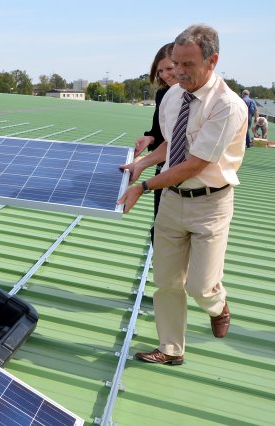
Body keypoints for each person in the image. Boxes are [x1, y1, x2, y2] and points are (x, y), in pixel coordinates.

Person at [117, 24, 246, 365]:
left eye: (188, 65)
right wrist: (142, 164)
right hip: (173, 201)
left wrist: (143, 187)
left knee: (201, 286)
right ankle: (171, 348)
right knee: (167, 281)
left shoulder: (227, 106)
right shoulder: (173, 96)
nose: (179, 73)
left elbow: (194, 164)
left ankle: (217, 304)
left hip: (211, 204)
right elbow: (170, 148)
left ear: (212, 60)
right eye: (176, 63)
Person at [133, 42, 177, 242]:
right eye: (160, 71)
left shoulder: (198, 99)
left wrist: (143, 164)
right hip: (163, 173)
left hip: (189, 181)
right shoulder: (163, 94)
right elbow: (159, 134)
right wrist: (149, 138)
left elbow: (178, 143)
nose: (165, 75)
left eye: (169, 68)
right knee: (160, 233)